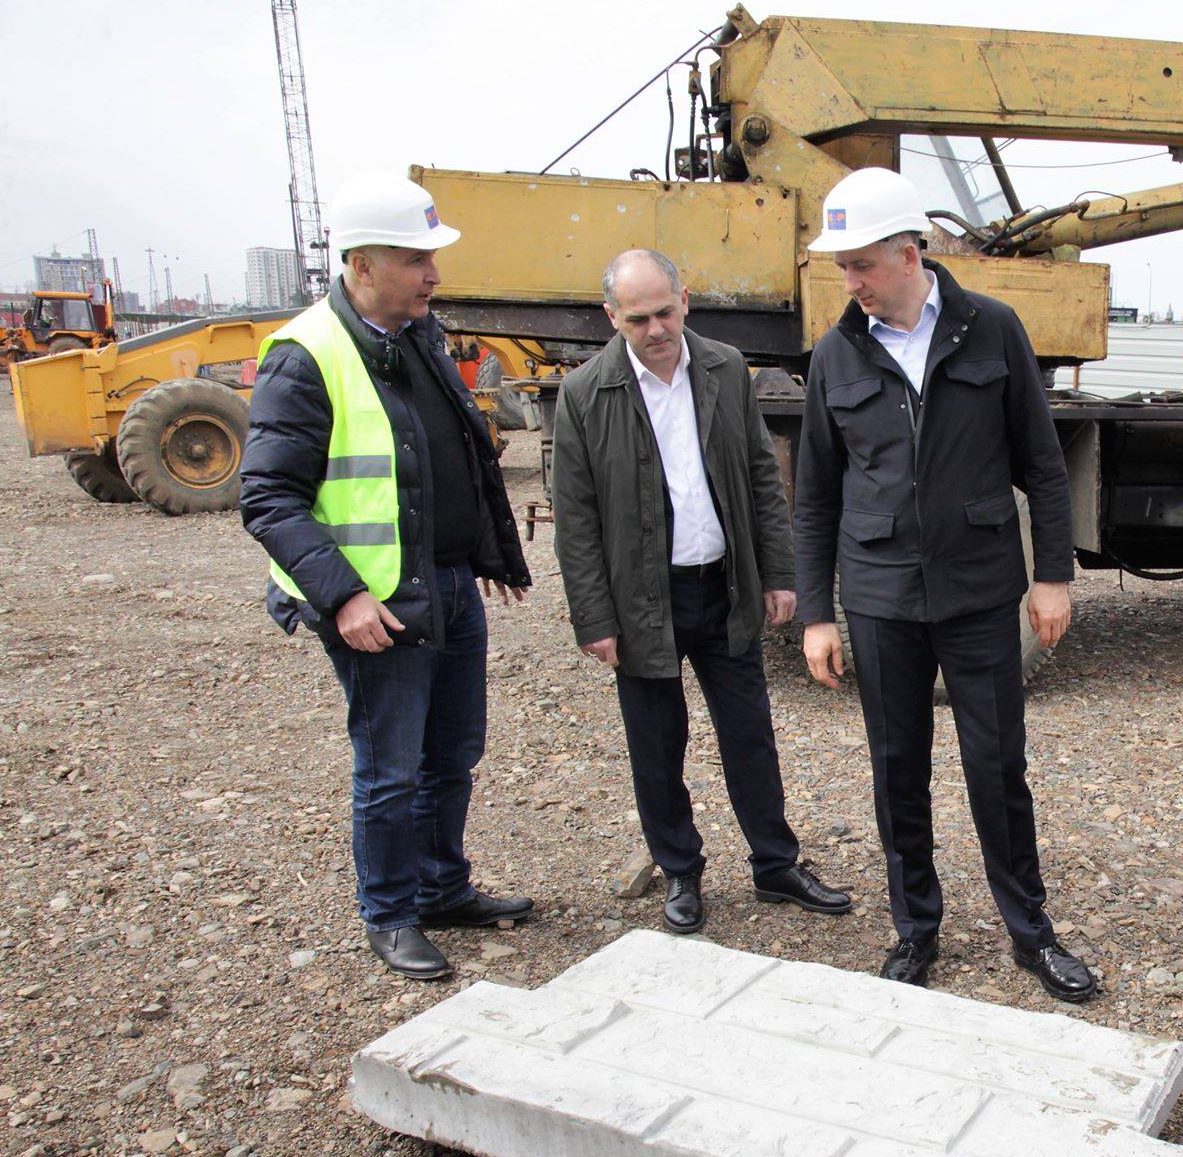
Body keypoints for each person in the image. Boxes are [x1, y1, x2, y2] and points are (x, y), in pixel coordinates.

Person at [792, 167, 1095, 1002]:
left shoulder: (991, 329)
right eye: (842, 266)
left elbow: (1044, 465)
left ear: (908, 252)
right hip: (881, 598)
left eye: (861, 264)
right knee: (898, 771)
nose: (850, 282)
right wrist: (816, 612)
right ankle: (915, 929)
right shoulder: (835, 353)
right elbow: (815, 495)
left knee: (996, 766)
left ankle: (1031, 932)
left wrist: (1053, 577)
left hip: (979, 591)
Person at [240, 171, 534, 981]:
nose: (433, 274)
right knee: (390, 768)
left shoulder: (418, 337)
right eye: (416, 259)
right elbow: (268, 498)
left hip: (445, 583)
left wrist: (486, 553)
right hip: (377, 603)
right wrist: (342, 595)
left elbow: (455, 456)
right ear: (362, 265)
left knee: (454, 752)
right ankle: (391, 913)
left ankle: (442, 887)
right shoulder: (306, 354)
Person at [553, 249, 850, 934]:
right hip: (640, 602)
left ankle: (776, 864)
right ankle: (680, 870)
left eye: (665, 312)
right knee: (657, 745)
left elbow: (761, 475)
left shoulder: (723, 368)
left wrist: (779, 574)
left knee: (750, 735)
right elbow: (576, 517)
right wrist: (594, 617)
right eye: (637, 319)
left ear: (685, 299)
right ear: (611, 316)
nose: (656, 329)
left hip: (724, 588)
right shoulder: (586, 393)